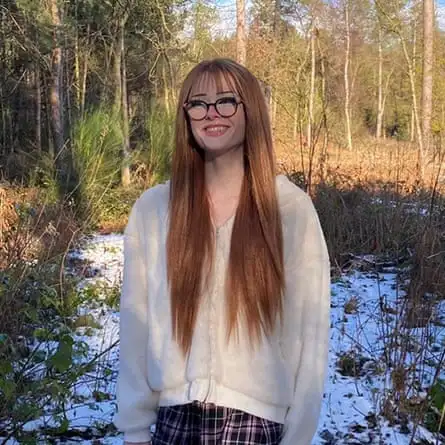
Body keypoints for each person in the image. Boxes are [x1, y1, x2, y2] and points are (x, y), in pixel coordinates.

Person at [114, 58, 330, 445]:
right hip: (174, 421)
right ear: (186, 116)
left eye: (226, 100)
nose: (211, 113)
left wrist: (298, 435)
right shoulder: (154, 210)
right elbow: (136, 325)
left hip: (255, 424)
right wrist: (134, 429)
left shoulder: (289, 210)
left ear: (252, 111)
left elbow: (310, 334)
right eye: (198, 103)